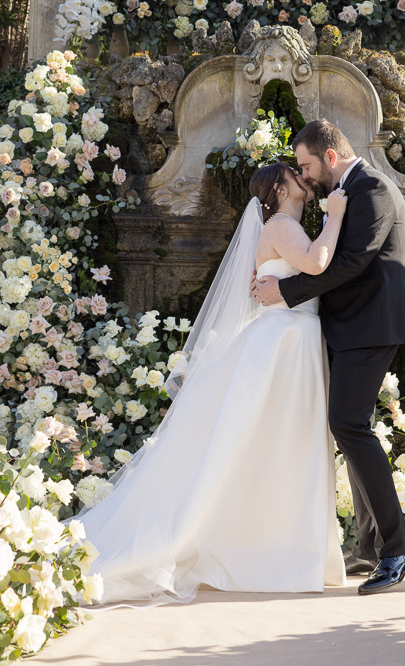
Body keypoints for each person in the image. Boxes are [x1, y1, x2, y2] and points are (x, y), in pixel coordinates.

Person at [75, 162, 348, 606]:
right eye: (296, 176)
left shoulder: (282, 227)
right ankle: (278, 555)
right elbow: (317, 262)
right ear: (280, 188)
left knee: (278, 447)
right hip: (285, 343)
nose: (307, 180)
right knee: (282, 444)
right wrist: (335, 215)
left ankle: (279, 551)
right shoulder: (280, 226)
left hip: (293, 341)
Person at [253, 119, 405, 595]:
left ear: (330, 157)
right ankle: (371, 546)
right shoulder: (349, 192)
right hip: (350, 326)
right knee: (348, 425)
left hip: (372, 325)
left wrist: (284, 290)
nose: (304, 177)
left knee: (349, 425)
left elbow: (351, 264)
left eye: (306, 165)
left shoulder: (373, 189)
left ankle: (398, 549)